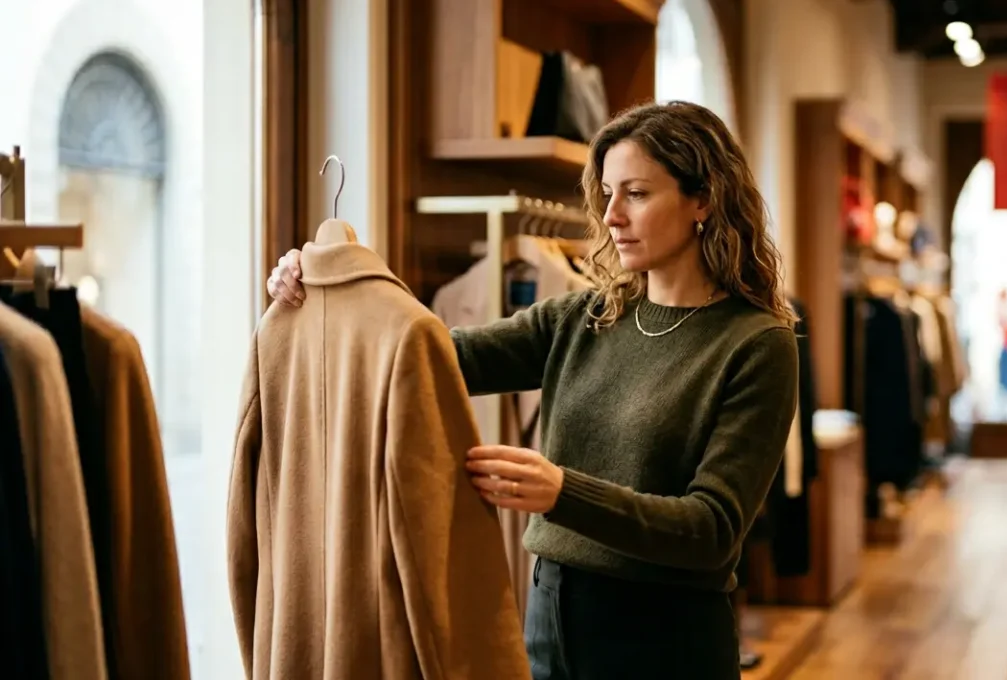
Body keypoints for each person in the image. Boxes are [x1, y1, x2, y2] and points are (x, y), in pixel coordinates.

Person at [265, 101, 800, 679]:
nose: (612, 215)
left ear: (704, 199)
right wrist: (329, 281)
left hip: (665, 638)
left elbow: (712, 529)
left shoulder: (757, 343)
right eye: (607, 193)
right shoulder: (585, 318)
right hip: (549, 616)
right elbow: (425, 355)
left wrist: (560, 492)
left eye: (637, 194)